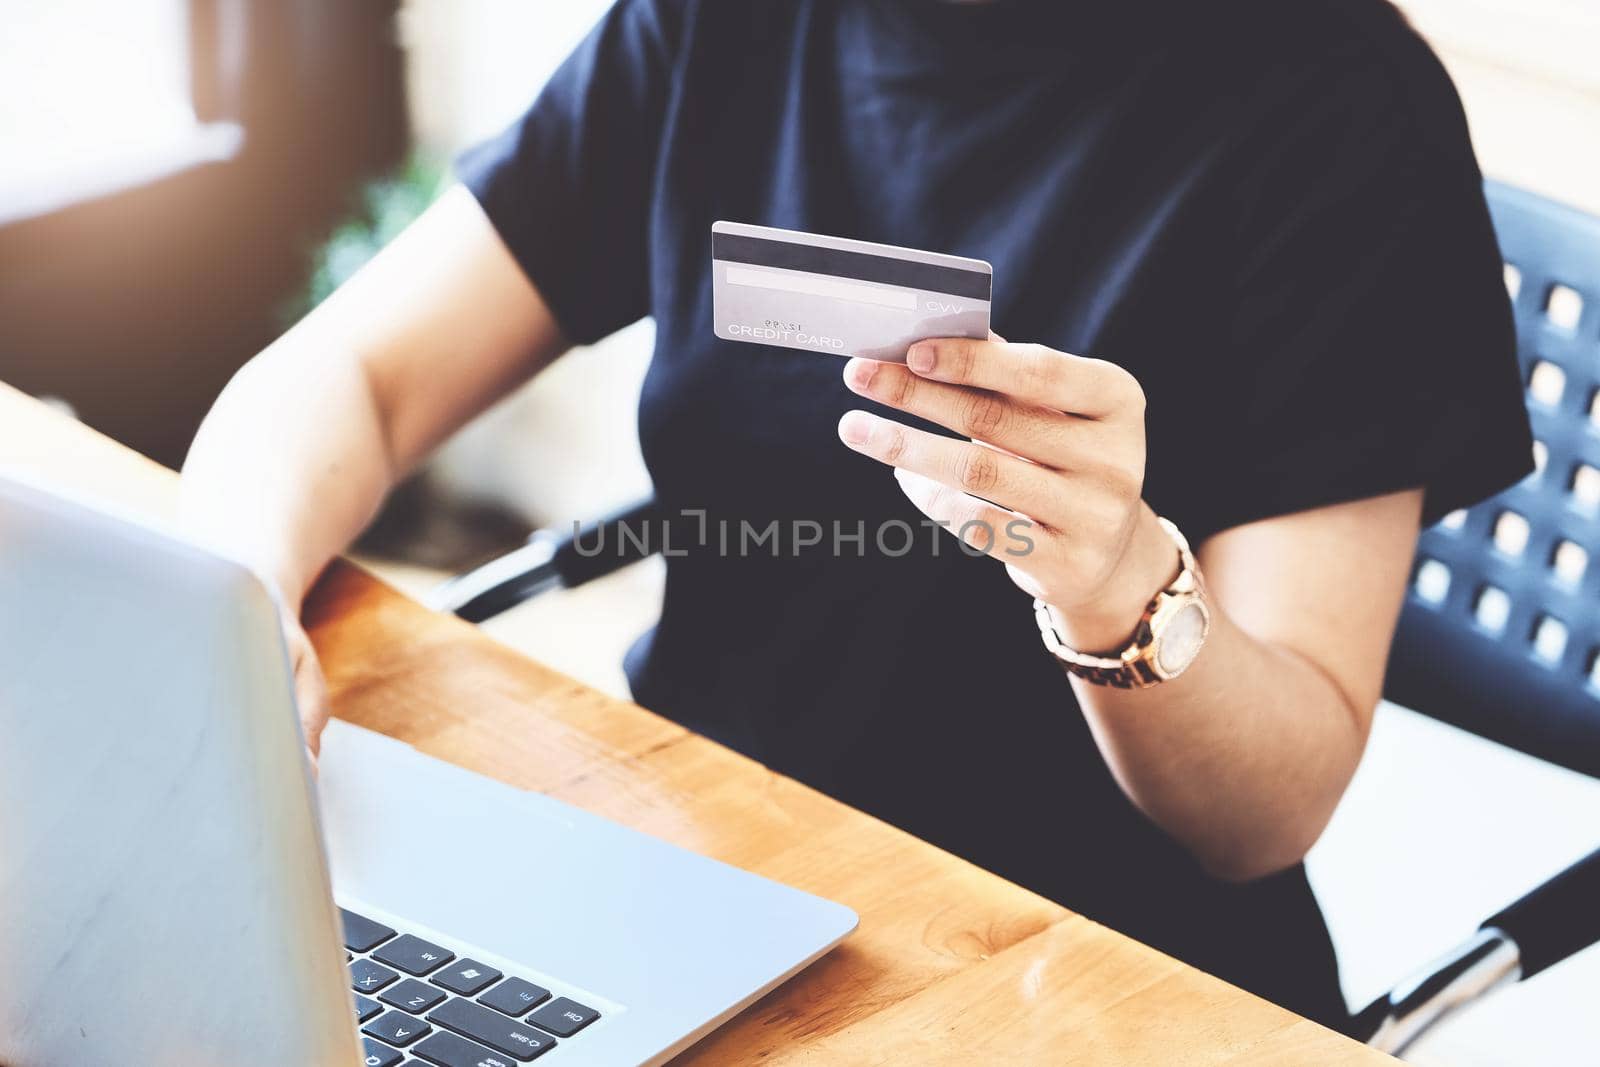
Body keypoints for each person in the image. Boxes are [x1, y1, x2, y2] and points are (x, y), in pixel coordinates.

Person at [181, 0, 1533, 1030]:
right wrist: (227, 606)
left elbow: (1265, 811)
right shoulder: (729, 22)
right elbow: (351, 372)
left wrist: (1115, 580)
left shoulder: (1340, 107)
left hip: (1083, 978)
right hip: (702, 876)